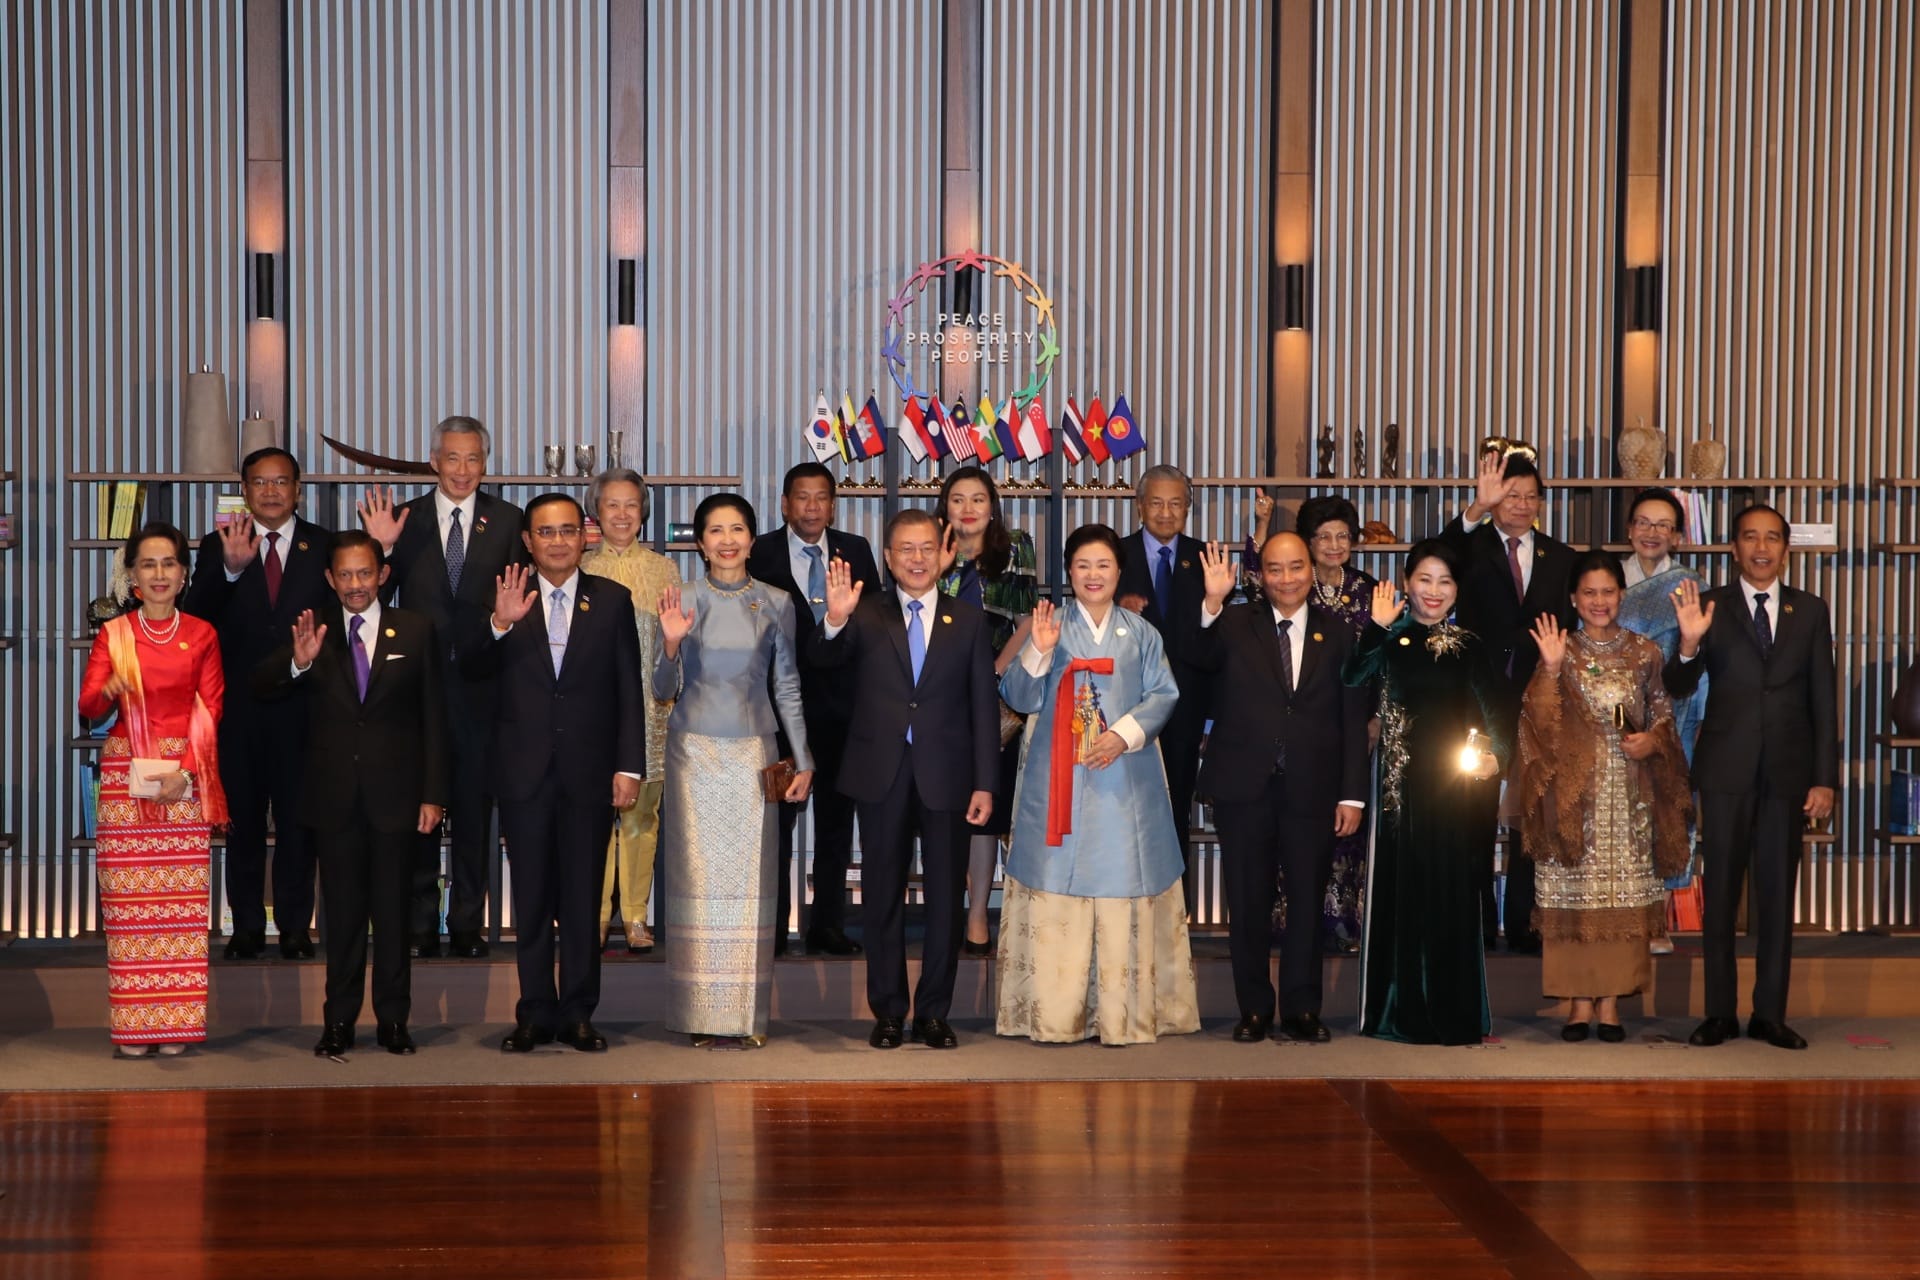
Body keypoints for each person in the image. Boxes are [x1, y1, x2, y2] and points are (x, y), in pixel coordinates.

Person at [996, 524, 1199, 1045]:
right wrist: (1038, 653)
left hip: (1124, 772)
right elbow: (1017, 694)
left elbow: (1163, 693)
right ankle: (1055, 1015)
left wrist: (1123, 734)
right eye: (1082, 565)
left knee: (1122, 874)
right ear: (1068, 572)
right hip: (1055, 772)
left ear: (1118, 571)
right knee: (1056, 872)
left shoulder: (1141, 632)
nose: (1093, 575)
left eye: (1103, 565)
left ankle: (1122, 1015)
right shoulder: (1049, 623)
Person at [252, 531, 448, 1057]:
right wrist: (297, 662)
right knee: (340, 920)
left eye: (366, 573)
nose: (356, 584)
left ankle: (393, 1023)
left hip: (398, 799)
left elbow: (435, 717)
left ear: (382, 574)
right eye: (346, 575)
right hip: (334, 800)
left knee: (393, 917)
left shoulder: (416, 628)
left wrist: (433, 795)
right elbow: (260, 685)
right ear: (329, 579)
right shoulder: (311, 631)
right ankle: (337, 1023)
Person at [812, 509, 998, 1050]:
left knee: (945, 899)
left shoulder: (968, 620)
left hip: (949, 778)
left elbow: (983, 709)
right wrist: (834, 620)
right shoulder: (863, 613)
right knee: (881, 897)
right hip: (881, 775)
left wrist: (985, 783)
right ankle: (889, 1011)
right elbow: (821, 662)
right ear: (888, 558)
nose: (916, 559)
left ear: (944, 555)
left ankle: (934, 1013)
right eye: (904, 550)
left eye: (926, 548)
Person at [469, 494, 645, 1053]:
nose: (559, 541)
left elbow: (628, 692)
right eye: (546, 533)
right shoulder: (505, 595)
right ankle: (534, 1013)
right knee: (533, 899)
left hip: (591, 774)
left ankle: (578, 1014)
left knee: (581, 899)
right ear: (528, 541)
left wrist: (629, 766)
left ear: (585, 537)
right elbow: (468, 669)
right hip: (524, 772)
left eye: (569, 530)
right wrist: (499, 623)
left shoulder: (613, 600)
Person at [1665, 505, 1838, 1050]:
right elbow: (1677, 682)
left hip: (1787, 774)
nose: (1761, 548)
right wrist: (1689, 642)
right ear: (1734, 548)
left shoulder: (1809, 610)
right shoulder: (1708, 605)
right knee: (1718, 897)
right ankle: (1719, 1013)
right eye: (1749, 538)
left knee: (1775, 898)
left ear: (1786, 548)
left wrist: (1824, 778)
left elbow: (1822, 700)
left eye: (1771, 538)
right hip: (1725, 769)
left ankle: (1770, 1014)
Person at [1187, 534, 1369, 1043]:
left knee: (1308, 902)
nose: (1285, 579)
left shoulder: (1338, 633)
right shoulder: (1232, 622)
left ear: (1311, 570)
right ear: (1260, 575)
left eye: (1295, 568)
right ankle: (1254, 1009)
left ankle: (1302, 1009)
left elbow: (1354, 718)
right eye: (1274, 569)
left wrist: (1352, 794)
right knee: (1246, 902)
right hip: (1244, 787)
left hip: (1314, 790)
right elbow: (1195, 658)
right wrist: (1211, 602)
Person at [360, 415, 529, 959]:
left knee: (476, 814)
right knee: (419, 811)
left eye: (473, 458)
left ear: (485, 463)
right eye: (451, 458)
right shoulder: (401, 520)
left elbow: (519, 601)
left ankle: (465, 925)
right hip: (417, 688)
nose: (462, 469)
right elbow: (370, 593)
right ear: (434, 461)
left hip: (484, 686)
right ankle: (416, 924)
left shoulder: (508, 520)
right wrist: (381, 549)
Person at [655, 494, 813, 1048]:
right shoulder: (682, 598)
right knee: (698, 885)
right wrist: (670, 645)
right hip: (693, 755)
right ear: (699, 542)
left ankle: (746, 1017)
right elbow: (660, 690)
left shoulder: (776, 602)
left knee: (750, 886)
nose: (727, 540)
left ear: (751, 538)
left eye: (738, 529)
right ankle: (702, 1013)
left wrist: (804, 759)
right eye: (716, 531)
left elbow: (788, 685)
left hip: (754, 753)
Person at [1514, 552, 1692, 1042]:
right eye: (1588, 593)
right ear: (1574, 598)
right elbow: (1535, 722)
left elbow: (1664, 719)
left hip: (1630, 797)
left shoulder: (1644, 653)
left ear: (1621, 595)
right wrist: (1549, 671)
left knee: (1624, 898)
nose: (1598, 601)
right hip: (1574, 799)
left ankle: (1611, 1004)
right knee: (1571, 898)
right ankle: (1576, 1004)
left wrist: (1652, 742)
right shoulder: (1561, 650)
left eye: (1608, 592)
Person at [1343, 540, 1507, 1046]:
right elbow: (1351, 678)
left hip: (1457, 792)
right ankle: (1396, 1013)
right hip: (1398, 797)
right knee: (1400, 898)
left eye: (1445, 582)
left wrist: (1495, 757)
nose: (1433, 592)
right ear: (1407, 582)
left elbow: (1497, 715)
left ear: (1456, 591)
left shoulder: (1470, 645)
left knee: (1452, 900)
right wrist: (1375, 627)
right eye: (1424, 580)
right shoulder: (1387, 638)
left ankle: (1457, 1015)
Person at [79, 523, 229, 1057]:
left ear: (183, 574)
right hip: (126, 780)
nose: (160, 574)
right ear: (133, 576)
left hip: (181, 778)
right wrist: (108, 689)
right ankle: (136, 1026)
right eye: (148, 564)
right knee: (130, 906)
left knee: (180, 908)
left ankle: (178, 1025)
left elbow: (209, 709)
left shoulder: (203, 633)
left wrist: (185, 775)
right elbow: (89, 706)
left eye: (169, 563)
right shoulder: (113, 635)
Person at [182, 447, 331, 960]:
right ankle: (245, 926)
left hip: (304, 708)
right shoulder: (217, 544)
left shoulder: (325, 547)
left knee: (298, 825)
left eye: (281, 482)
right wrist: (227, 570)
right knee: (241, 824)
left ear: (298, 489)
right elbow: (194, 617)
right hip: (238, 712)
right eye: (260, 483)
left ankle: (294, 927)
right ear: (243, 490)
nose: (271, 491)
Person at [1438, 446, 1575, 954]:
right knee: (1472, 814)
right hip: (1477, 702)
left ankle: (1525, 925)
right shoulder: (1470, 549)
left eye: (1529, 496)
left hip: (1539, 701)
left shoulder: (1560, 558)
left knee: (1532, 819)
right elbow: (1434, 556)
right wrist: (1474, 509)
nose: (1520, 504)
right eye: (1510, 495)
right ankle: (1475, 926)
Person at [746, 462, 880, 956]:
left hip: (842, 712)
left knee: (836, 823)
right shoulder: (757, 552)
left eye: (821, 497)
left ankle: (827, 925)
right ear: (784, 504)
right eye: (801, 497)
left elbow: (871, 622)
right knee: (777, 823)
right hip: (777, 716)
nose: (811, 507)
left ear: (832, 504)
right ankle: (775, 930)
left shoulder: (856, 551)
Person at [935, 466, 1037, 955]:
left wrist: (993, 674)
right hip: (937, 698)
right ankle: (946, 912)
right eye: (958, 499)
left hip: (997, 696)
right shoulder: (930, 550)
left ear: (992, 506)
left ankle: (977, 918)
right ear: (945, 507)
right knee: (943, 807)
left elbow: (1026, 620)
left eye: (978, 499)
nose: (968, 508)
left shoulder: (1015, 548)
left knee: (985, 811)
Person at [580, 468, 680, 955]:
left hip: (651, 709)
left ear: (643, 512)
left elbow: (673, 643)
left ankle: (636, 916)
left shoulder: (664, 570)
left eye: (631, 505)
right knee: (596, 820)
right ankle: (595, 915)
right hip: (594, 717)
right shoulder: (579, 567)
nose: (622, 514)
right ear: (595, 512)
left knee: (643, 820)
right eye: (612, 505)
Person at [1616, 486, 1709, 954]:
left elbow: (1699, 669)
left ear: (1678, 534)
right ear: (1630, 529)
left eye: (1663, 525)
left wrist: (1667, 725)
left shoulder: (1692, 587)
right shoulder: (1606, 580)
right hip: (1613, 712)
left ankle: (1657, 921)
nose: (1652, 533)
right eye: (1644, 523)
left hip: (1673, 713)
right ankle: (1616, 917)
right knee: (1616, 817)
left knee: (1662, 813)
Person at [1285, 495, 1379, 953]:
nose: (1334, 544)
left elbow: (1387, 660)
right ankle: (1293, 922)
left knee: (1348, 826)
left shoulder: (1369, 589)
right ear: (1308, 541)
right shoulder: (1292, 590)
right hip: (1300, 729)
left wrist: (1377, 719)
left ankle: (1342, 922)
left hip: (1356, 726)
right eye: (1324, 536)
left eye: (1343, 536)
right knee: (1299, 824)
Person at [1113, 465, 1210, 905]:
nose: (1166, 512)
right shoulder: (1114, 554)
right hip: (1125, 707)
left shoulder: (1205, 557)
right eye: (1157, 502)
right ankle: (1126, 899)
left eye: (1176, 503)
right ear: (1139, 507)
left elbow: (1217, 638)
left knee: (1176, 808)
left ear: (1188, 509)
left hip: (1188, 707)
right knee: (1126, 806)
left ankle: (1175, 906)